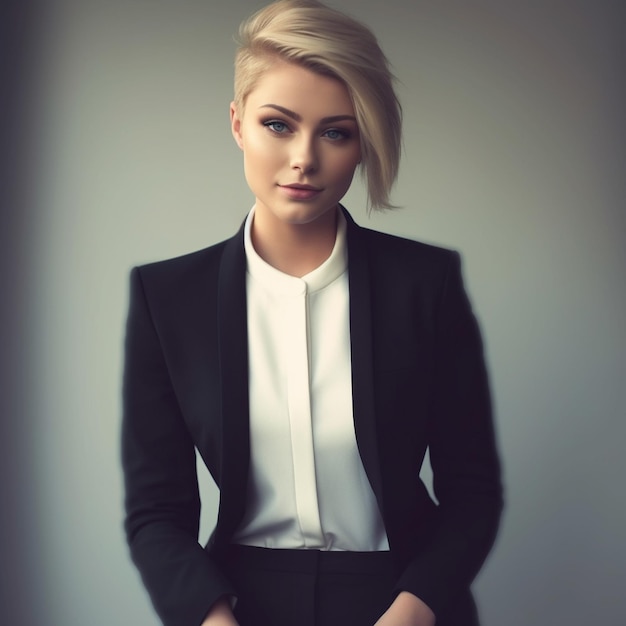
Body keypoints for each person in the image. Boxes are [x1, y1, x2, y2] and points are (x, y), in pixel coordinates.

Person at [121, 1, 503, 625]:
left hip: (401, 599)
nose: (304, 157)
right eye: (278, 125)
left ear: (362, 145)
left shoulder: (425, 285)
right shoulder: (167, 298)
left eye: (335, 131)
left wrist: (412, 614)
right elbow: (155, 510)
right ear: (238, 123)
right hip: (240, 603)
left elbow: (473, 494)